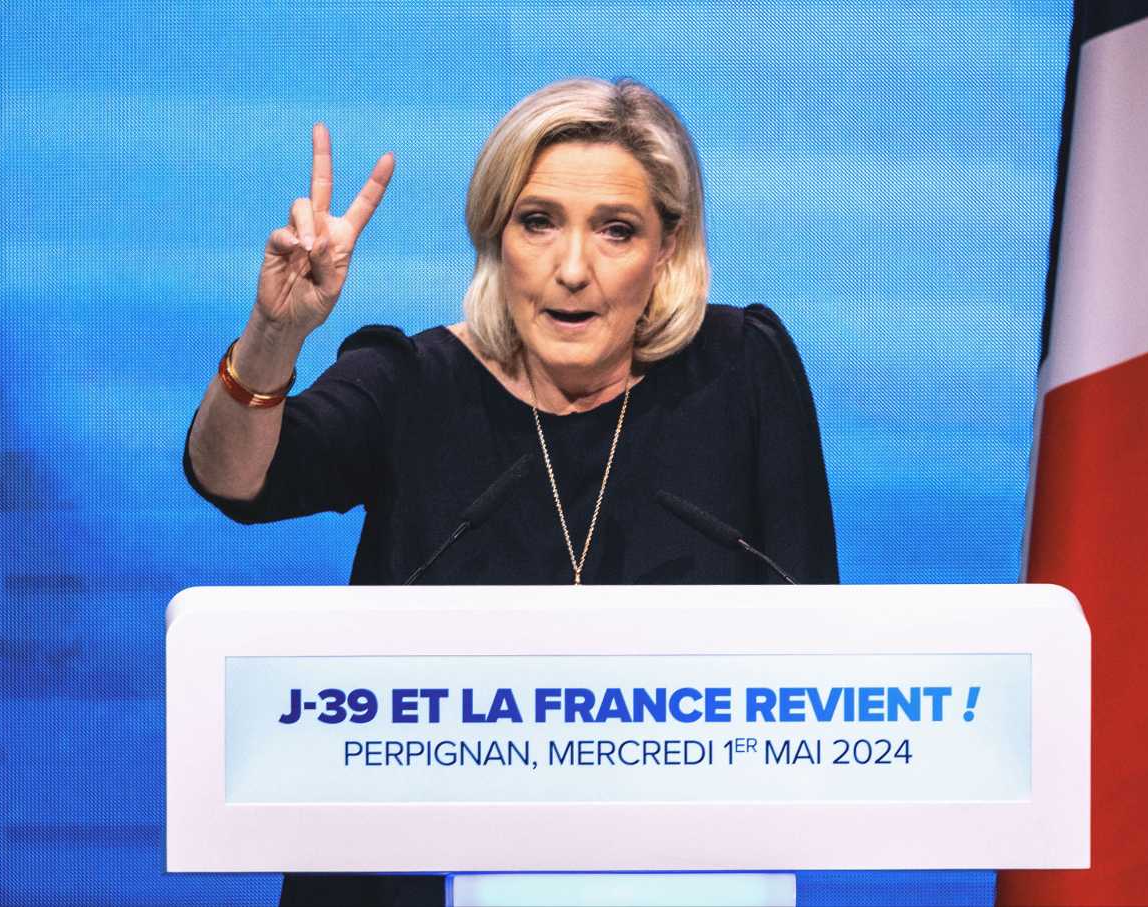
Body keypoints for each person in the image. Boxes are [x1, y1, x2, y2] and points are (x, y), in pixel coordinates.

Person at [184, 77, 838, 907]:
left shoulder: (741, 374)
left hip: (671, 871)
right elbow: (233, 476)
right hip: (407, 873)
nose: (573, 269)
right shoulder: (414, 383)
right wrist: (276, 330)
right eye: (539, 222)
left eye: (616, 230)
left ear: (667, 248)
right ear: (497, 235)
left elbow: (817, 643)